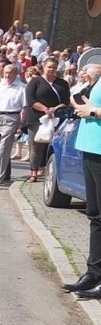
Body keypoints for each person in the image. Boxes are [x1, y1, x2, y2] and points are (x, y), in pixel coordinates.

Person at [63, 66, 101, 298]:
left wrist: (94, 112)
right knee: (95, 215)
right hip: (90, 148)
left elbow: (94, 110)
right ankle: (93, 273)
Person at [25, 56, 71, 183]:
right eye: (49, 67)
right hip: (37, 119)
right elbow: (31, 100)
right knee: (36, 146)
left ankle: (51, 171)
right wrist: (45, 109)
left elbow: (66, 101)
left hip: (57, 118)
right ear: (44, 67)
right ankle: (33, 172)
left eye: (54, 67)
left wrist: (55, 109)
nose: (51, 70)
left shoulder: (62, 83)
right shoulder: (35, 82)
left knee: (54, 146)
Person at [0, 62, 25, 185]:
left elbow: (24, 107)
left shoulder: (21, 87)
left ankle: (0, 176)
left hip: (11, 117)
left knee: (4, 148)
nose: (8, 75)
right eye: (6, 72)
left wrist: (20, 124)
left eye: (11, 72)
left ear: (16, 74)